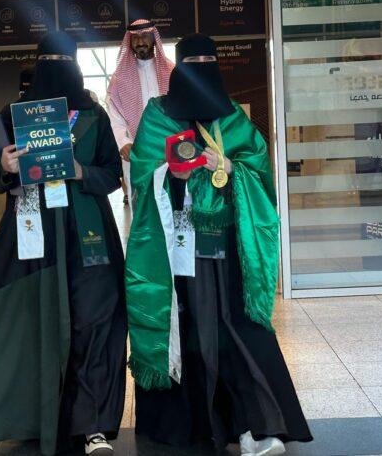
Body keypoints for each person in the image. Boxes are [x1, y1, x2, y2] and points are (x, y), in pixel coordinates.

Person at [125, 34, 313, 456]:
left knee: (233, 328)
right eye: (193, 64)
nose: (202, 71)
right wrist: (170, 176)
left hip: (226, 247)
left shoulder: (233, 120)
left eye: (209, 63)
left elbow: (258, 171)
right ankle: (195, 427)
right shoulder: (157, 115)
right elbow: (141, 173)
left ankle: (250, 424)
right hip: (176, 249)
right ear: (177, 69)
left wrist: (228, 166)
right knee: (189, 331)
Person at [0, 32, 127, 456]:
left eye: (63, 62)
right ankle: (37, 417)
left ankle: (92, 424)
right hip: (31, 237)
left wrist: (80, 171)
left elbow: (112, 174)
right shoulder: (12, 116)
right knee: (33, 324)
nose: (56, 71)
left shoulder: (93, 116)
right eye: (48, 62)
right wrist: (3, 166)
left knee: (94, 321)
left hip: (88, 238)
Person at [107, 19, 173, 205]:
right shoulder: (119, 78)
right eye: (135, 38)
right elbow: (114, 114)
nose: (140, 41)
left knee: (171, 202)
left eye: (145, 36)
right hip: (135, 150)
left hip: (167, 148)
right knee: (141, 205)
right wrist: (123, 142)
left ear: (154, 38)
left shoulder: (171, 71)